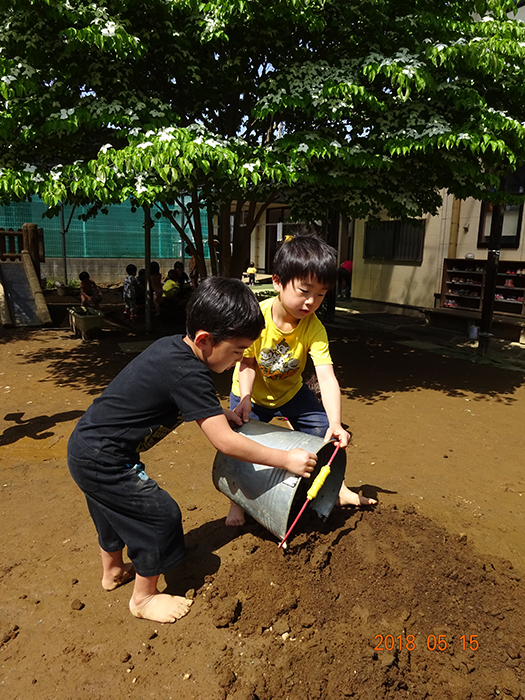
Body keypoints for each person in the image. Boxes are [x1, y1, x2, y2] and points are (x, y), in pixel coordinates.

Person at [67, 277, 317, 624]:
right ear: (204, 340)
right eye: (237, 351)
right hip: (105, 459)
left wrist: (220, 412)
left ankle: (112, 571)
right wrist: (286, 459)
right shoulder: (189, 373)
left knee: (112, 510)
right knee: (159, 515)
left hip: (86, 446)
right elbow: (225, 442)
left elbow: (179, 399)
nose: (239, 360)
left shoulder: (174, 350)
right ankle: (144, 597)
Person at [228, 229, 376, 526]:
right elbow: (247, 363)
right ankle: (237, 502)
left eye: (320, 294)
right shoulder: (256, 319)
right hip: (250, 395)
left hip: (291, 392)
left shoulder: (314, 327)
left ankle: (338, 490)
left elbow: (327, 377)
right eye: (304, 291)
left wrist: (335, 422)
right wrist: (245, 399)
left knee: (324, 431)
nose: (311, 302)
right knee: (239, 445)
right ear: (278, 282)